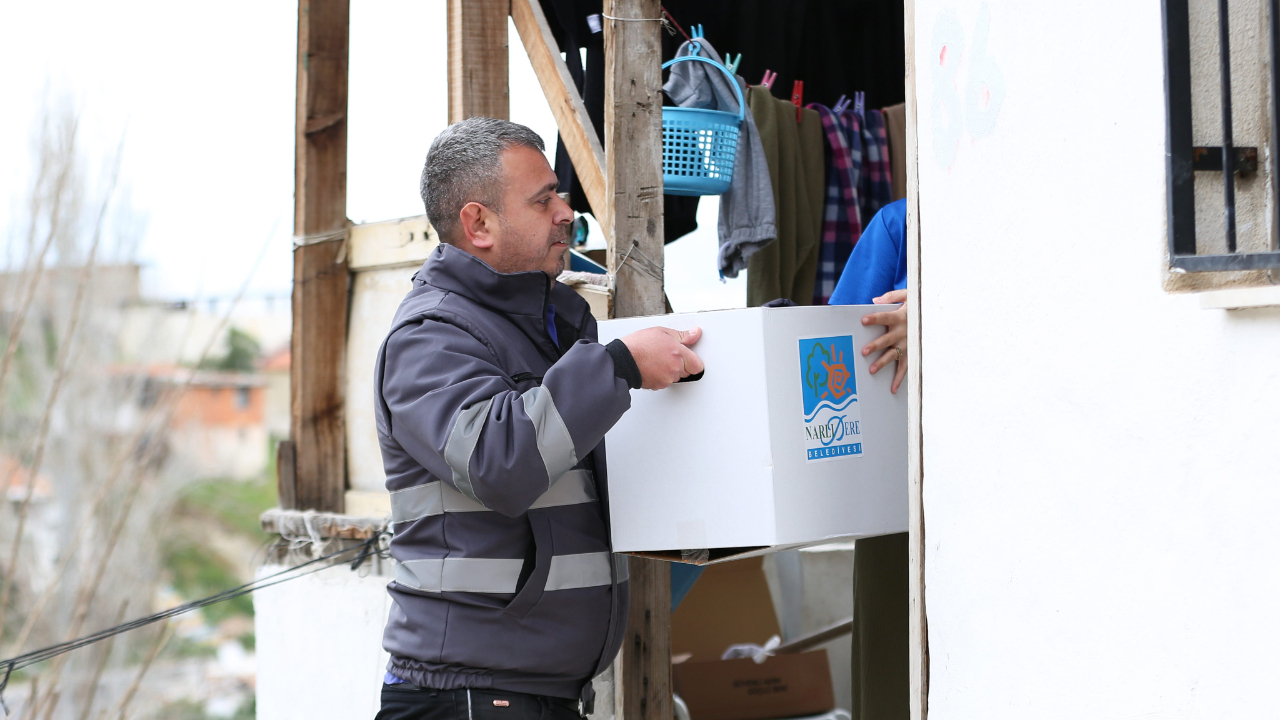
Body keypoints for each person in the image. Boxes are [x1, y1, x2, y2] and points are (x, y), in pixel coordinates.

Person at [372, 117, 705, 720]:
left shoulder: (554, 324)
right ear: (478, 224)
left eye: (559, 192)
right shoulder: (431, 336)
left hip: (535, 694)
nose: (565, 211)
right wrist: (620, 368)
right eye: (543, 198)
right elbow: (500, 462)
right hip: (466, 698)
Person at [829, 197, 909, 720]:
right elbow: (836, 345)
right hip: (897, 495)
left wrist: (938, 316)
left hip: (1019, 485)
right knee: (893, 676)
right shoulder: (902, 224)